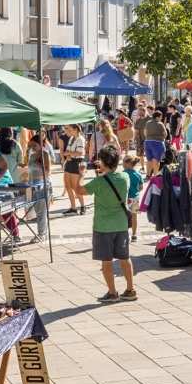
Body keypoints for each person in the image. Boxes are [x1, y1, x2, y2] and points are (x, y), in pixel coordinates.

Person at [83, 146, 136, 302]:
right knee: (125, 258)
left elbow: (79, 190)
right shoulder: (124, 177)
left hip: (103, 226)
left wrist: (81, 174)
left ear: (104, 162)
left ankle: (112, 293)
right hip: (121, 224)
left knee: (106, 261)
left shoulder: (98, 182)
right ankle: (130, 289)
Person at [61, 124, 87, 214]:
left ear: (75, 129)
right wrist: (69, 154)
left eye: (70, 129)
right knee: (68, 186)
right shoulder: (72, 139)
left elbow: (80, 153)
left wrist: (69, 154)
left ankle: (83, 206)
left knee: (76, 187)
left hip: (77, 163)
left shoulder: (81, 139)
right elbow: (67, 152)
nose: (68, 131)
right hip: (69, 163)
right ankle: (73, 207)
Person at [122, 153, 143, 241]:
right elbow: (141, 187)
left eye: (123, 162)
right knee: (134, 217)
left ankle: (124, 234)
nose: (122, 164)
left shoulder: (123, 174)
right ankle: (134, 235)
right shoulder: (138, 174)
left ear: (128, 164)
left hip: (125, 198)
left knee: (124, 217)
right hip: (135, 198)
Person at [144, 111, 169, 176]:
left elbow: (145, 133)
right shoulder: (160, 124)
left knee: (149, 160)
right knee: (156, 160)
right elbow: (165, 134)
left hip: (147, 142)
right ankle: (155, 175)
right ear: (157, 117)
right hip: (158, 143)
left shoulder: (148, 123)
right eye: (161, 117)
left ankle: (148, 174)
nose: (161, 118)